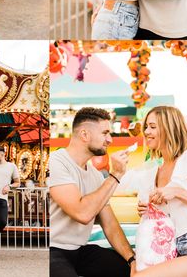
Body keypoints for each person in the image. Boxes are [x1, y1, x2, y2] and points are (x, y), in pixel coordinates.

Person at [48, 107, 135, 277]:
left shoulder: (95, 175)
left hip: (79, 251)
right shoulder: (56, 162)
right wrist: (115, 174)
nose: (110, 139)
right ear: (85, 135)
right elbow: (82, 213)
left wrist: (132, 260)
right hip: (52, 249)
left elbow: (109, 224)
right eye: (105, 133)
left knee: (127, 269)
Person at [129, 106, 187, 277]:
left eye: (152, 126)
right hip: (168, 249)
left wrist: (179, 192)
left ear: (169, 127)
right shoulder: (156, 168)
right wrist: (147, 210)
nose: (146, 132)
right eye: (146, 127)